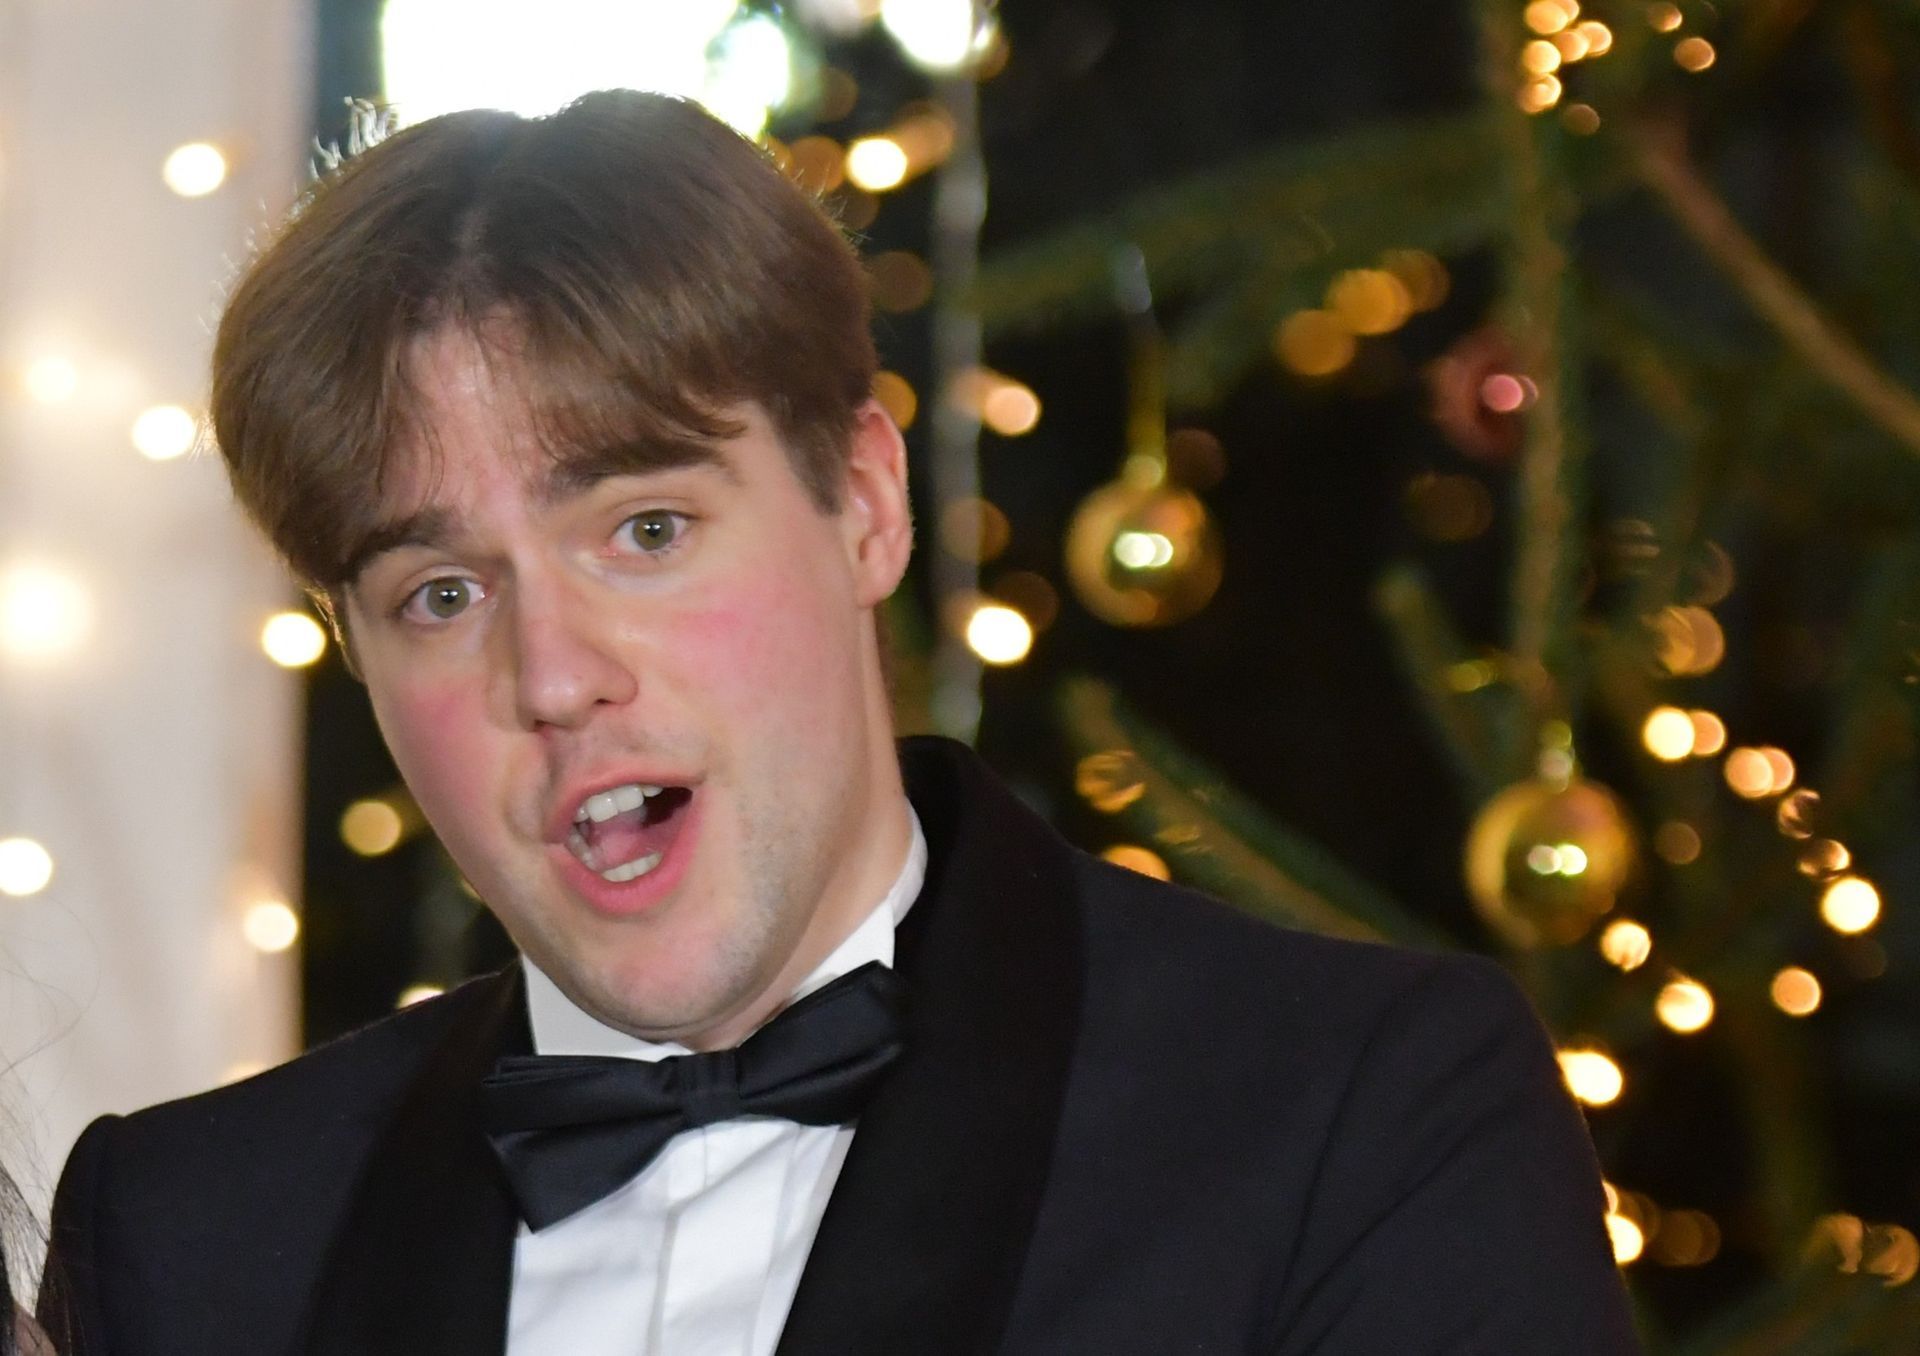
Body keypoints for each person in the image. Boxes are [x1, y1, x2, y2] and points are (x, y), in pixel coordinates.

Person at [36, 90, 1639, 1354]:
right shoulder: (184, 1237)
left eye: (645, 531)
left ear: (865, 503)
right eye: (441, 594)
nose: (553, 676)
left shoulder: (1354, 1117)